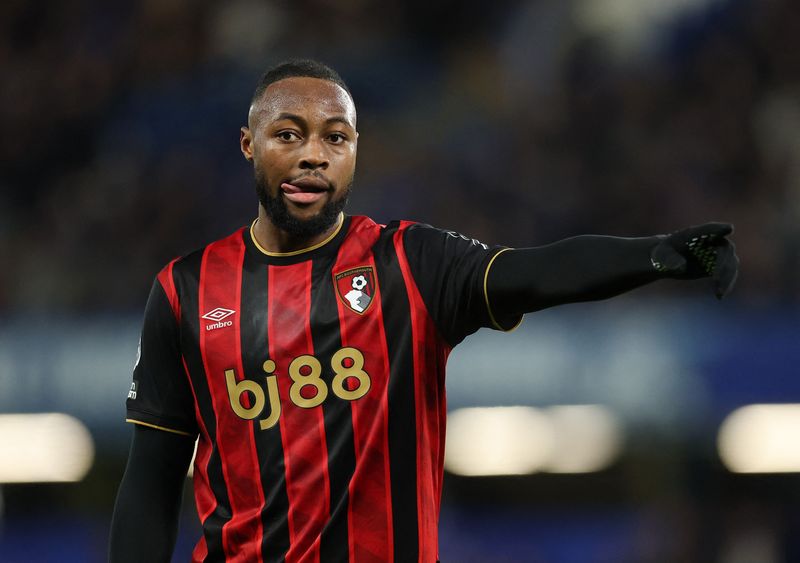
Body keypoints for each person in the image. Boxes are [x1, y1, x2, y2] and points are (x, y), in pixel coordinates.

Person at [109, 59, 738, 563]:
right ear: (249, 144)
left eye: (336, 138)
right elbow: (151, 478)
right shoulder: (184, 290)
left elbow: (534, 273)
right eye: (288, 134)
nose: (313, 155)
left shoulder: (409, 263)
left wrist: (656, 256)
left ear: (355, 151)